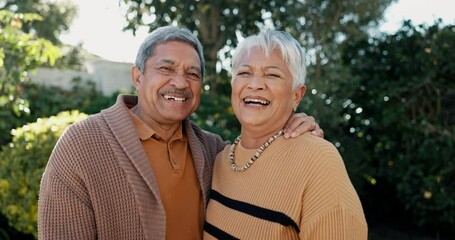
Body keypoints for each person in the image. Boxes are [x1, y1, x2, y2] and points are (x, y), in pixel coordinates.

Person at [38, 26, 323, 239]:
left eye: (193, 74)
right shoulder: (81, 145)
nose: (180, 82)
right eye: (166, 68)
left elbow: (261, 155)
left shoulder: (214, 151)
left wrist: (293, 124)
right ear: (138, 76)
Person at [203, 30, 367, 239]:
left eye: (272, 74)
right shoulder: (218, 160)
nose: (255, 84)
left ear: (296, 95)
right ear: (233, 83)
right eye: (244, 72)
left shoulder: (319, 161)